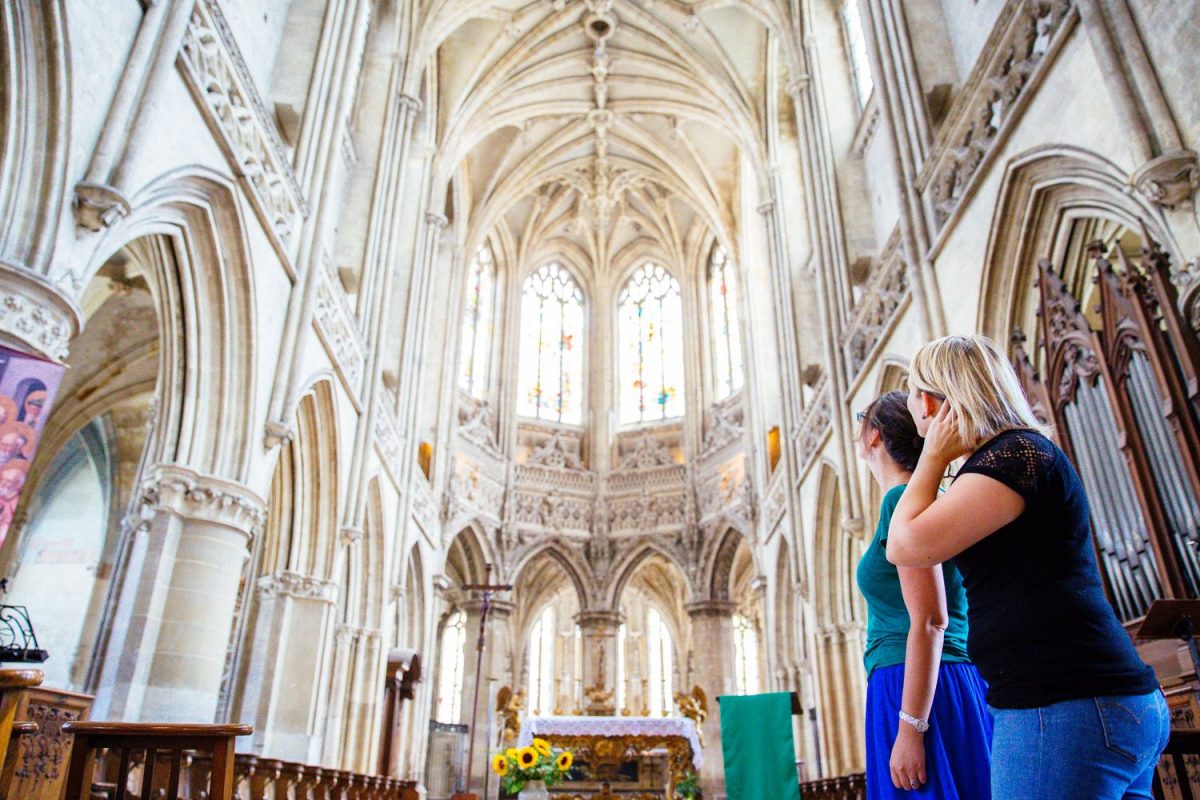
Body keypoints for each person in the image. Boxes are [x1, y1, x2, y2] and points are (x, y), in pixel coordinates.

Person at [886, 334, 1168, 800]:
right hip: (1090, 701)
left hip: (1063, 704)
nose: (912, 403)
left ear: (938, 401)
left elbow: (905, 545)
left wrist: (932, 457)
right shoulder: (1011, 457)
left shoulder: (1012, 457)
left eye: (915, 390)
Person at [855, 391, 992, 798]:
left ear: (874, 437)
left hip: (914, 683)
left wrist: (911, 727)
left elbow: (931, 620)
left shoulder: (903, 501)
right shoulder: (929, 499)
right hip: (942, 676)